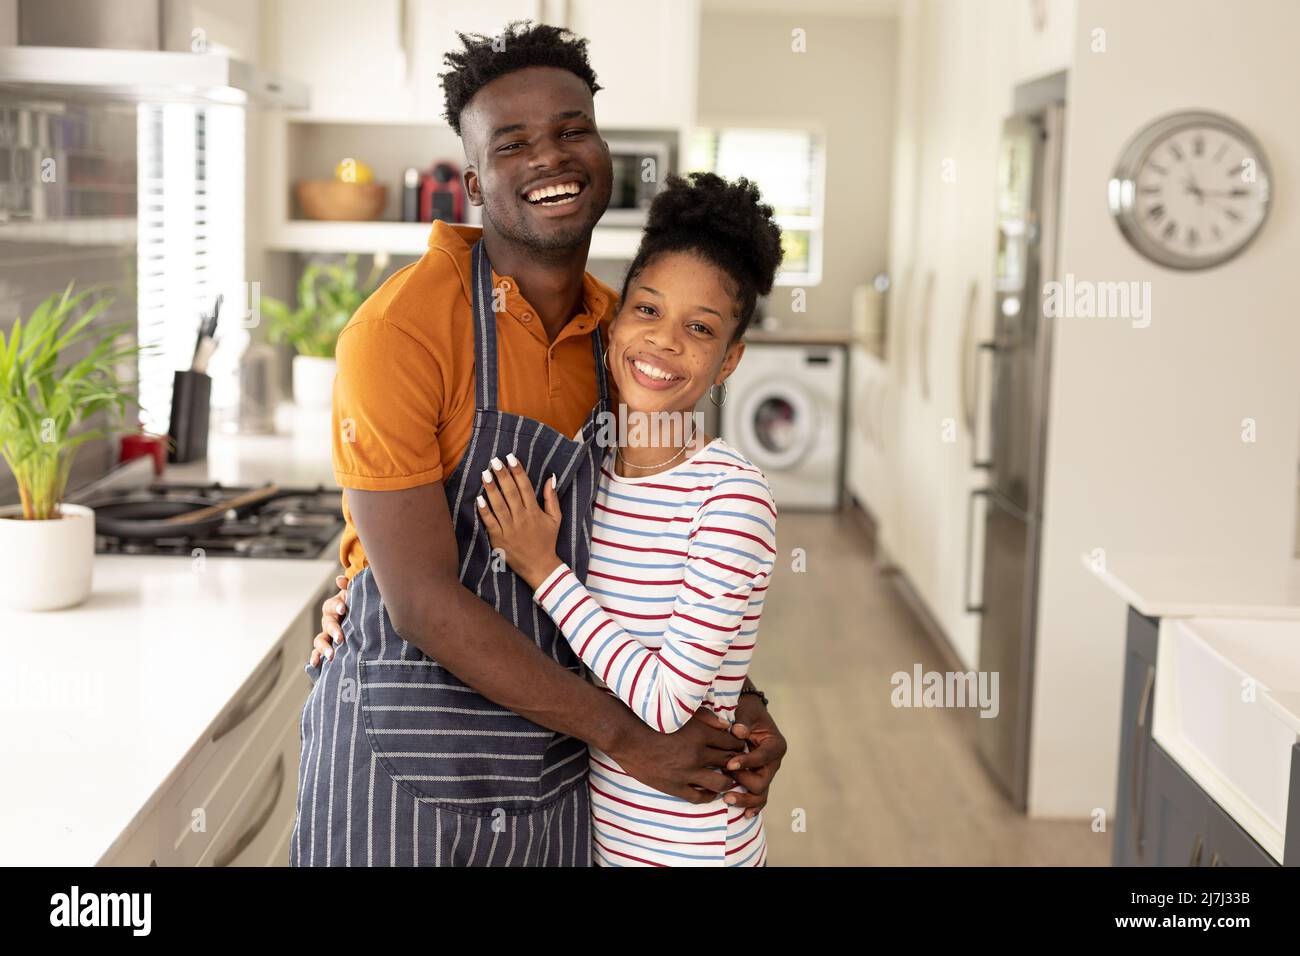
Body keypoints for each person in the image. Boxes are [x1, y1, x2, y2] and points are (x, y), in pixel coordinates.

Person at [293, 21, 785, 867]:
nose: (549, 158)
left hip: (558, 776)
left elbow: (659, 560)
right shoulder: (398, 333)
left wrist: (738, 701)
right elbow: (420, 604)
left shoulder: (625, 338)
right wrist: (633, 738)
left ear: (601, 148)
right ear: (475, 183)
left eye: (571, 130)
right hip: (404, 767)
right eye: (513, 143)